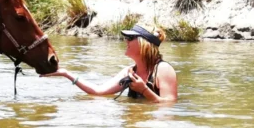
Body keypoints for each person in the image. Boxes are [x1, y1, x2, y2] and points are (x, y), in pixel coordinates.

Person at [40, 24, 178, 103]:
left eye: (130, 37)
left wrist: (144, 90)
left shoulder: (163, 70)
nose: (126, 41)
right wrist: (66, 73)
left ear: (144, 44)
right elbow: (98, 91)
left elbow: (169, 104)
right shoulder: (129, 72)